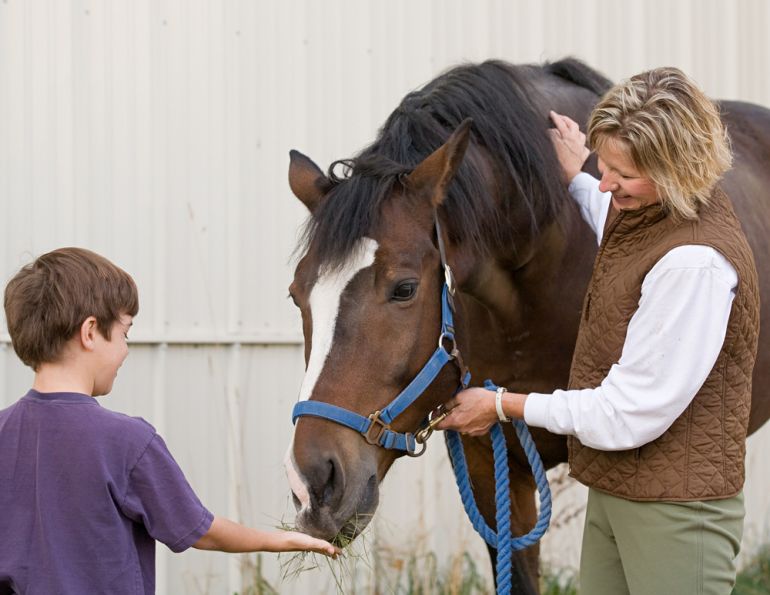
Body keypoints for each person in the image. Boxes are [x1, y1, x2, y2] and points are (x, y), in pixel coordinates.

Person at [437, 67, 760, 594]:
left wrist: (500, 405)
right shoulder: (659, 215)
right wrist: (579, 174)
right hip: (620, 493)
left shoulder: (694, 265)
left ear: (677, 170)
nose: (607, 184)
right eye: (604, 166)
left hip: (676, 515)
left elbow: (624, 413)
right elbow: (620, 227)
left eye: (622, 174)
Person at [0, 247, 339, 595]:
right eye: (124, 333)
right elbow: (201, 530)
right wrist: (277, 540)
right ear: (90, 332)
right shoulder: (127, 441)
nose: (125, 350)